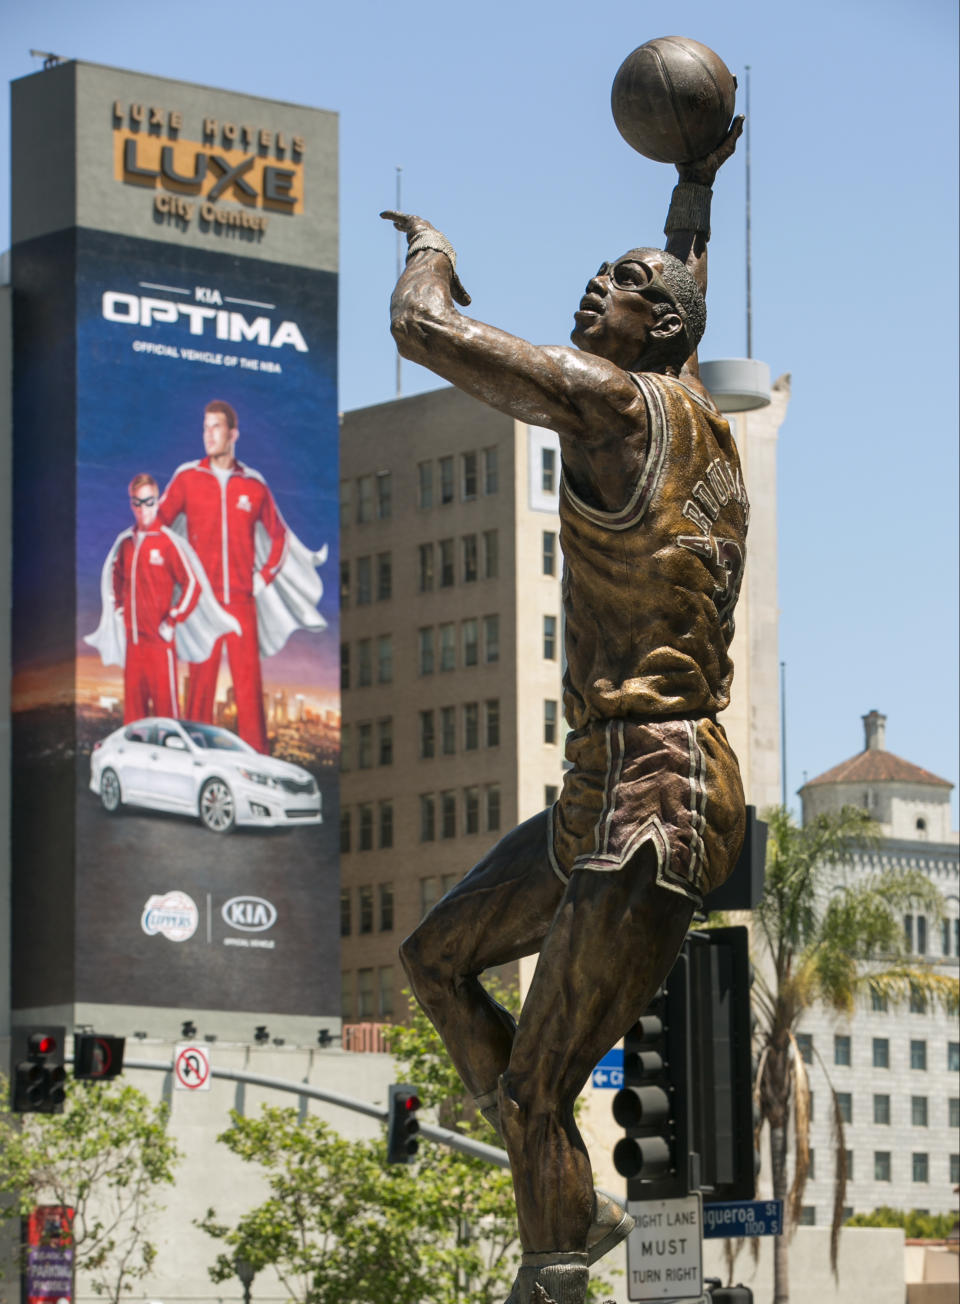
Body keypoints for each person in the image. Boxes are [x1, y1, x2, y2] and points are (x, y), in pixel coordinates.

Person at [383, 118, 747, 1304]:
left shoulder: (618, 409)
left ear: (665, 333)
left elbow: (422, 330)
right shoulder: (683, 402)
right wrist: (691, 187)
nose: (601, 287)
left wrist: (431, 250)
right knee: (435, 957)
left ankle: (552, 1257)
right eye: (597, 276)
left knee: (542, 1086)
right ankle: (568, 1196)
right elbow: (687, 288)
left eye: (629, 285)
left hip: (658, 786)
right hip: (604, 781)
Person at [157, 400, 328, 754]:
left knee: (248, 689)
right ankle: (195, 759)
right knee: (199, 688)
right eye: (204, 427)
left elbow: (279, 537)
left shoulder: (253, 485)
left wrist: (262, 578)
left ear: (233, 434)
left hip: (241, 602)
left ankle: (258, 762)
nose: (208, 435)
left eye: (215, 427)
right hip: (202, 603)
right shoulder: (187, 478)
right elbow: (158, 528)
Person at [85, 473, 240, 722]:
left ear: (156, 502)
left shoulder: (168, 544)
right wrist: (120, 609)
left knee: (165, 715)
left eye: (148, 502)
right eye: (137, 503)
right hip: (133, 648)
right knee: (134, 717)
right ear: (131, 504)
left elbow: (193, 584)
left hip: (159, 646)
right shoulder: (126, 544)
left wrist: (173, 619)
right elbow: (117, 575)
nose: (142, 509)